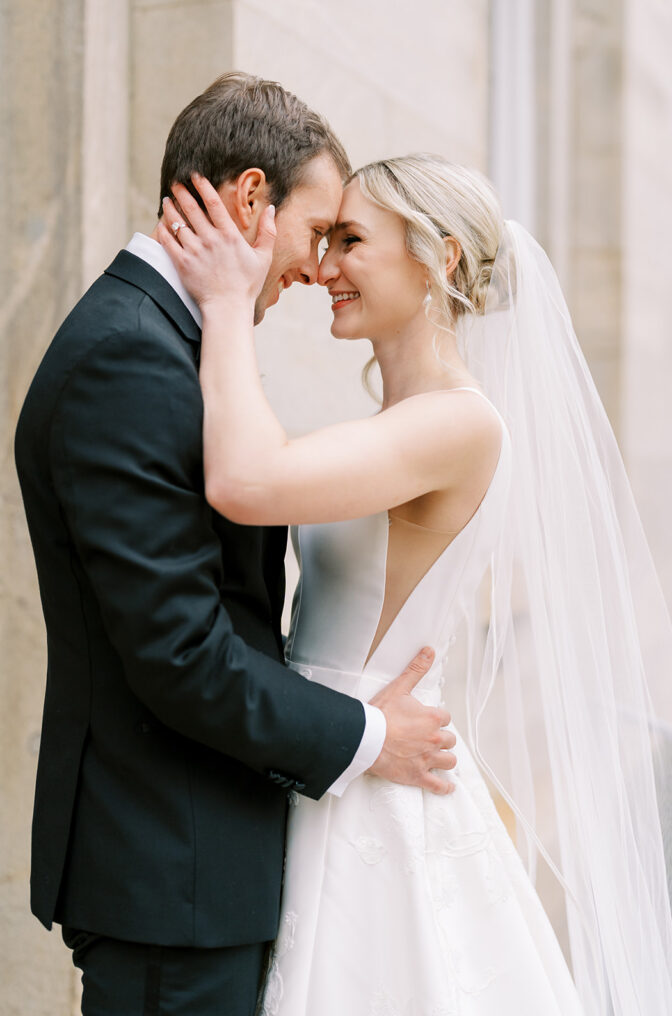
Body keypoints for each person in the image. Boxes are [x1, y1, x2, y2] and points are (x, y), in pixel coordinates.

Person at [159, 152, 672, 1014]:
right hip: (330, 752)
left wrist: (223, 301)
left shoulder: (459, 424)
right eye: (323, 240)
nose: (323, 267)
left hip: (367, 788)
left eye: (350, 240)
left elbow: (247, 482)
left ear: (438, 258)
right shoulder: (398, 424)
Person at [13, 75, 459, 1016]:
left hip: (202, 865)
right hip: (171, 870)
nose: (315, 267)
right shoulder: (131, 356)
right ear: (252, 199)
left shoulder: (166, 341)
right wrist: (368, 736)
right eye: (315, 232)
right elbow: (180, 652)